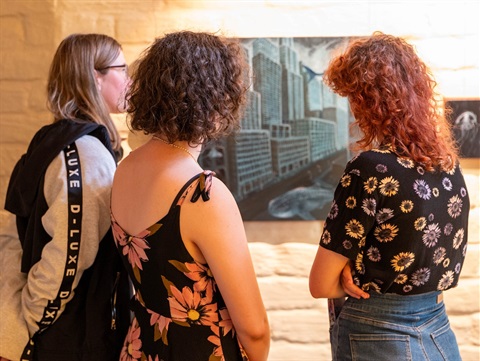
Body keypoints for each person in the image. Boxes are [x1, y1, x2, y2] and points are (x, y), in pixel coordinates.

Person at [110, 31, 270, 361]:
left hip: (140, 348)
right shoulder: (202, 195)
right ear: (216, 99)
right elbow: (254, 329)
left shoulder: (125, 168)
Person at [309, 32, 469, 361]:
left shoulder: (370, 169)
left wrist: (348, 271)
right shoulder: (449, 169)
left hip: (377, 333)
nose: (352, 108)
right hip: (439, 332)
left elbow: (320, 285)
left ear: (371, 101)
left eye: (355, 95)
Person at [0, 33, 131, 361]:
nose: (129, 80)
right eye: (123, 68)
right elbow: (66, 260)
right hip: (69, 338)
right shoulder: (83, 155)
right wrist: (30, 324)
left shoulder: (65, 143)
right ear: (95, 77)